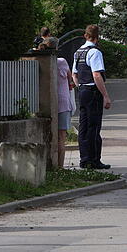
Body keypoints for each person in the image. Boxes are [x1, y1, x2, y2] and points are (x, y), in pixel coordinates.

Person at [72, 25, 112, 170]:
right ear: (97, 37)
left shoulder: (78, 52)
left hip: (82, 90)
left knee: (83, 126)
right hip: (93, 91)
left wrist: (80, 87)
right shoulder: (94, 52)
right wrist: (105, 96)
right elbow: (97, 75)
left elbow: (74, 75)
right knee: (94, 126)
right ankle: (94, 160)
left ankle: (84, 159)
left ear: (85, 36)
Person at [41, 37, 74, 168]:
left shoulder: (43, 62)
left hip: (46, 103)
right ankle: (60, 167)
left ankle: (49, 165)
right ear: (56, 48)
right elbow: (70, 80)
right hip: (63, 103)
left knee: (49, 135)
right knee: (61, 137)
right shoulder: (62, 62)